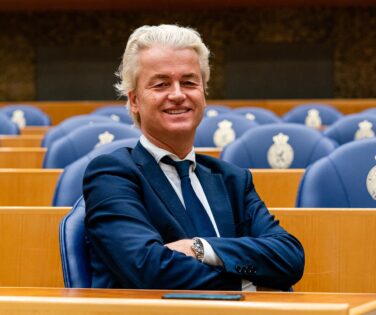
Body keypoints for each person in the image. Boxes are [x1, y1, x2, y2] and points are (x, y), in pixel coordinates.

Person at [83, 24, 304, 290]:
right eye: (161, 84)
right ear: (134, 101)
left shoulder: (232, 179)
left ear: (203, 94)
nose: (177, 95)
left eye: (189, 82)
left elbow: (289, 256)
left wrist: (199, 248)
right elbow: (149, 269)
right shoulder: (112, 174)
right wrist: (253, 282)